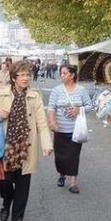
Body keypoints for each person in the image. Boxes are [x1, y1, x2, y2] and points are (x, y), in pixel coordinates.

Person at [0, 60, 53, 221]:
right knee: (4, 182)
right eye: (22, 75)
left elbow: (42, 124)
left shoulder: (34, 97)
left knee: (23, 185)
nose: (25, 78)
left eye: (27, 75)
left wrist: (46, 144)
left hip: (25, 147)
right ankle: (6, 202)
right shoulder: (1, 94)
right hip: (6, 146)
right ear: (14, 77)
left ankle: (17, 216)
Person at [47, 64, 94, 194]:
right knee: (60, 156)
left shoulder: (81, 90)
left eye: (65, 73)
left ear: (72, 75)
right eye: (61, 73)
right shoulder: (56, 90)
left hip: (75, 130)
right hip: (60, 129)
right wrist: (52, 122)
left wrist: (79, 110)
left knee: (74, 156)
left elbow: (90, 105)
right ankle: (62, 174)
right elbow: (51, 108)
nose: (62, 75)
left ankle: (73, 183)